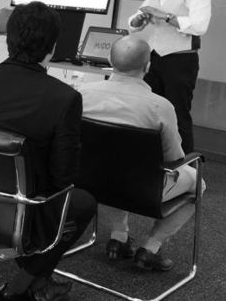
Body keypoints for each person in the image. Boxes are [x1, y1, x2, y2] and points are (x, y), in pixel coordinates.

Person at [0, 1, 96, 301]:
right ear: (52, 48)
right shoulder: (63, 97)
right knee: (81, 203)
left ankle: (36, 283)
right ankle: (20, 288)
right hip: (14, 205)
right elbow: (62, 178)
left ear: (9, 40)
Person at [81, 35, 204, 271]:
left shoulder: (82, 93)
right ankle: (150, 248)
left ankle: (119, 237)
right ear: (148, 66)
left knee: (114, 163)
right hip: (144, 189)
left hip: (89, 181)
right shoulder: (160, 106)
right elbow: (175, 160)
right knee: (198, 182)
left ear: (110, 61)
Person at [128, 0, 211, 153]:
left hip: (181, 61)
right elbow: (135, 20)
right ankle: (150, 160)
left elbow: (199, 26)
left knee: (177, 114)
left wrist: (165, 16)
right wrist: (137, 21)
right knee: (149, 111)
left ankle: (184, 165)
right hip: (154, 58)